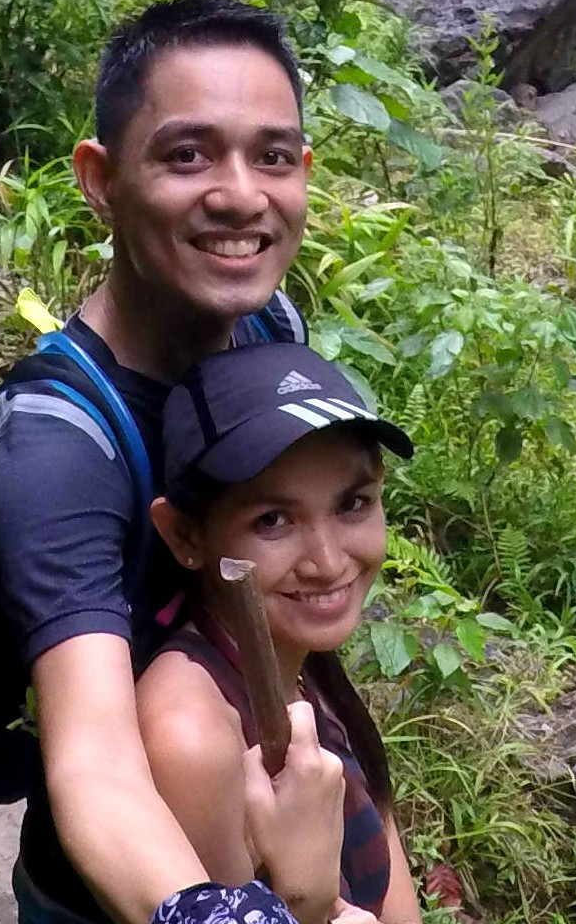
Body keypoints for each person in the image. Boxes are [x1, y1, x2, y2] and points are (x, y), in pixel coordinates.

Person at [0, 0, 330, 924]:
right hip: (116, 896)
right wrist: (218, 915)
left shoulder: (267, 326)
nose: (242, 195)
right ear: (100, 180)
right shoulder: (57, 448)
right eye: (187, 155)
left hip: (260, 806)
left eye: (273, 156)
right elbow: (96, 761)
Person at [137, 343, 421, 924]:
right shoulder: (193, 738)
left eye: (353, 504)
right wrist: (304, 902)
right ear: (184, 535)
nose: (327, 562)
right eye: (273, 520)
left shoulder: (304, 662)